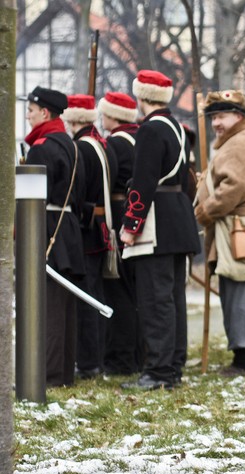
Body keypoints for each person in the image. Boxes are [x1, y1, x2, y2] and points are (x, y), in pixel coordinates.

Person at [119, 70, 201, 390]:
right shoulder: (178, 128)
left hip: (157, 220)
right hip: (178, 215)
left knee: (155, 300)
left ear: (142, 97)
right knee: (173, 298)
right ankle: (173, 365)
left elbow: (143, 181)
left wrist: (130, 224)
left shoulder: (151, 129)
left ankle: (159, 371)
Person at [195, 90, 245, 376]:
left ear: (239, 116)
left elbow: (234, 186)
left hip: (238, 227)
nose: (216, 122)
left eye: (222, 116)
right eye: (214, 116)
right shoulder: (242, 138)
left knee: (238, 291)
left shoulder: (238, 144)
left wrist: (206, 210)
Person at [23, 86, 86, 387]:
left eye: (31, 111)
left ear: (45, 113)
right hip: (69, 226)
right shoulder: (72, 144)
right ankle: (62, 373)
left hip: (45, 225)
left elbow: (28, 200)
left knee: (46, 305)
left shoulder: (41, 147)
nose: (28, 116)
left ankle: (46, 375)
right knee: (64, 306)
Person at [63, 94, 119, 380]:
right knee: (94, 294)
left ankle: (87, 361)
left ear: (73, 119)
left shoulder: (82, 148)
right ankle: (92, 358)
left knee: (87, 297)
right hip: (98, 226)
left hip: (87, 229)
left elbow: (79, 192)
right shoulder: (100, 145)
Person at [98, 91, 144, 375]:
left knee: (120, 290)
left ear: (112, 115)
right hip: (133, 214)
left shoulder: (115, 142)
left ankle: (122, 359)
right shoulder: (139, 137)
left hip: (118, 213)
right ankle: (137, 356)